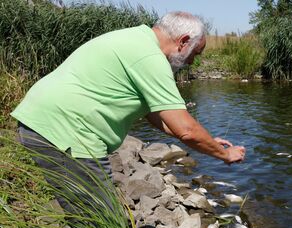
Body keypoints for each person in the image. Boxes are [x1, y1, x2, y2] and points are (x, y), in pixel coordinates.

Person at [11, 11, 245, 213]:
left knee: (87, 214)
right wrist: (225, 155)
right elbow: (186, 130)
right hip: (66, 133)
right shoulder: (150, 58)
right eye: (196, 53)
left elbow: (157, 116)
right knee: (102, 224)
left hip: (46, 124)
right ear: (183, 41)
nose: (193, 62)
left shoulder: (135, 39)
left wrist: (207, 142)